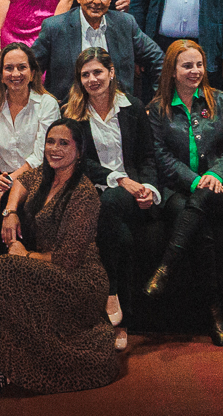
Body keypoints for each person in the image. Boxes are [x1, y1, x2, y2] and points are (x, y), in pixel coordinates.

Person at [0, 121, 120, 395]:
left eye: (64, 143)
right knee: (5, 271)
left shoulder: (83, 193)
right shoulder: (46, 175)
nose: (55, 148)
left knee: (6, 267)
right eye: (51, 141)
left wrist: (25, 254)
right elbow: (20, 181)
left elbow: (68, 257)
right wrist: (11, 211)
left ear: (79, 150)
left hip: (80, 278)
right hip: (48, 267)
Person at [139, 40, 223, 343]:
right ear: (172, 71)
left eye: (199, 64)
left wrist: (213, 174)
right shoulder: (157, 109)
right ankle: (214, 310)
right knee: (198, 227)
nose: (195, 71)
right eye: (187, 65)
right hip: (179, 190)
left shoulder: (221, 100)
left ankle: (165, 267)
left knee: (199, 204)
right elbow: (160, 156)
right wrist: (194, 180)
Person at [60, 48, 160, 350]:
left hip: (131, 194)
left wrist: (149, 190)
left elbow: (147, 158)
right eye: (86, 74)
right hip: (93, 191)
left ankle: (112, 294)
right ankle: (120, 314)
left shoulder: (133, 108)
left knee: (113, 205)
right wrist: (119, 179)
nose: (92, 79)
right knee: (123, 237)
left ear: (111, 72)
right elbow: (79, 162)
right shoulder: (73, 114)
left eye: (97, 72)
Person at [33, 0, 162, 103]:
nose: (97, 1)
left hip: (117, 112)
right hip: (69, 113)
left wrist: (159, 101)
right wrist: (43, 103)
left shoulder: (125, 24)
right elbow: (31, 69)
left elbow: (158, 59)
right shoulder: (55, 27)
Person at [0, 43, 62, 210]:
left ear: (33, 72)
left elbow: (40, 156)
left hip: (36, 181)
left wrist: (8, 183)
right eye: (9, 68)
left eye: (22, 67)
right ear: (1, 75)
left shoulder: (47, 105)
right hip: (0, 179)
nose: (15, 74)